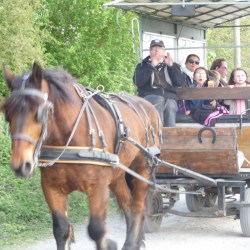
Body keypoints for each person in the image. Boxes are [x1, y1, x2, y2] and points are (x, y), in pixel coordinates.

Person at [133, 39, 184, 127]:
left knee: (170, 106)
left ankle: (169, 136)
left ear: (164, 52)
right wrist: (151, 66)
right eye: (154, 48)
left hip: (169, 97)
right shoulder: (142, 65)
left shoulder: (173, 65)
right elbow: (138, 82)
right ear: (150, 52)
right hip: (148, 97)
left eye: (159, 48)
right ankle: (156, 133)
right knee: (158, 100)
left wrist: (171, 67)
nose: (156, 50)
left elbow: (179, 83)